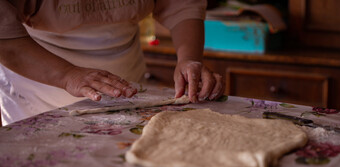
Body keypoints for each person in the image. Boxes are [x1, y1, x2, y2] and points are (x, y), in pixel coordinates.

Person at [0, 0, 225, 126]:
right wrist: (68, 75)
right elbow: (5, 37)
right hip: (38, 83)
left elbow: (181, 5)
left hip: (126, 80)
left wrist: (188, 58)